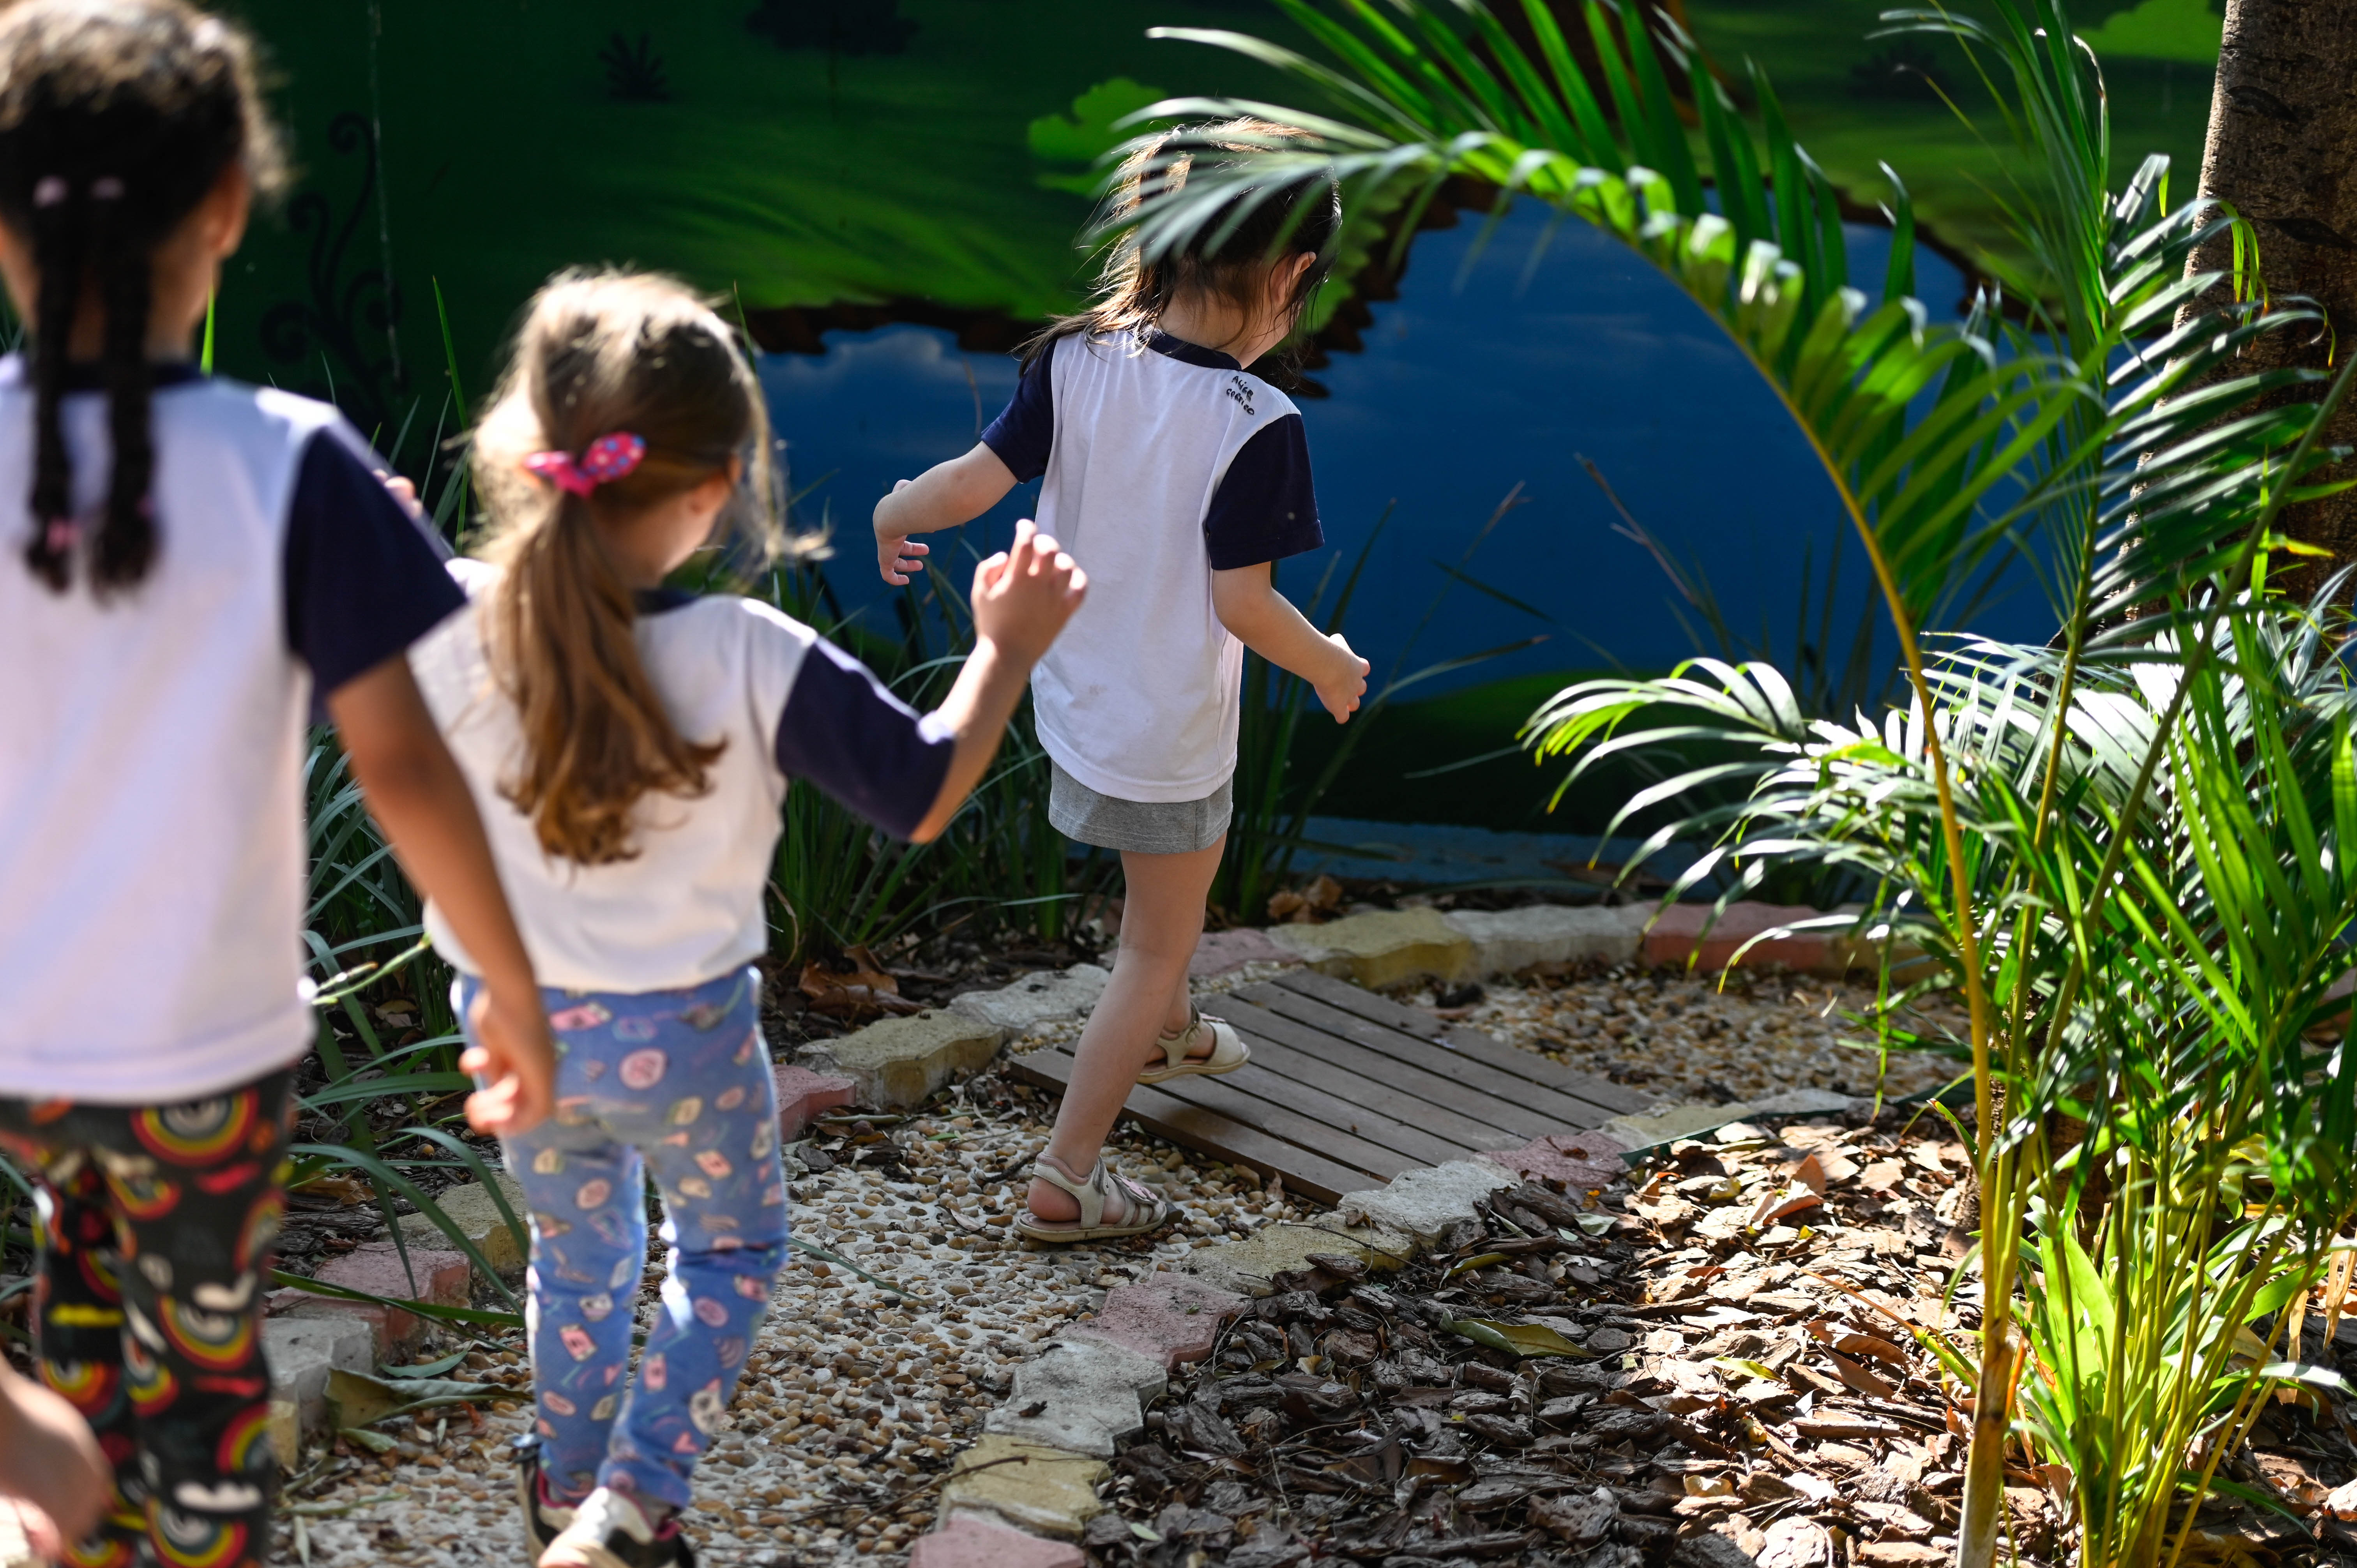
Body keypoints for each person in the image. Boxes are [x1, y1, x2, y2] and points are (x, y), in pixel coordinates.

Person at [407, 270, 1087, 1568]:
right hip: (690, 1037)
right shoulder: (750, 652)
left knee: (577, 1245)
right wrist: (1007, 644)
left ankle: (562, 1481)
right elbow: (925, 789)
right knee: (728, 1249)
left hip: (515, 1026)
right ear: (715, 487)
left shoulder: (451, 617)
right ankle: (634, 1503)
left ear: (530, 460)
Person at [0, 5, 559, 1568]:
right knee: (208, 1354)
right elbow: (410, 760)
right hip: (206, 1052)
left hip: (24, 1051)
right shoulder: (290, 462)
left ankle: (75, 1514)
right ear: (231, 210)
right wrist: (508, 985)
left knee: (81, 1277)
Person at [872, 120, 1370, 1243]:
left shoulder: (1077, 362)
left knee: (1161, 919)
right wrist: (1332, 663)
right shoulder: (1259, 421)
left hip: (1079, 707)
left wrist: (896, 506)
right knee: (1153, 942)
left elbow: (967, 485)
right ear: (1291, 277)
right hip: (1169, 739)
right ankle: (1070, 1176)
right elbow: (1245, 606)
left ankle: (1175, 1028)